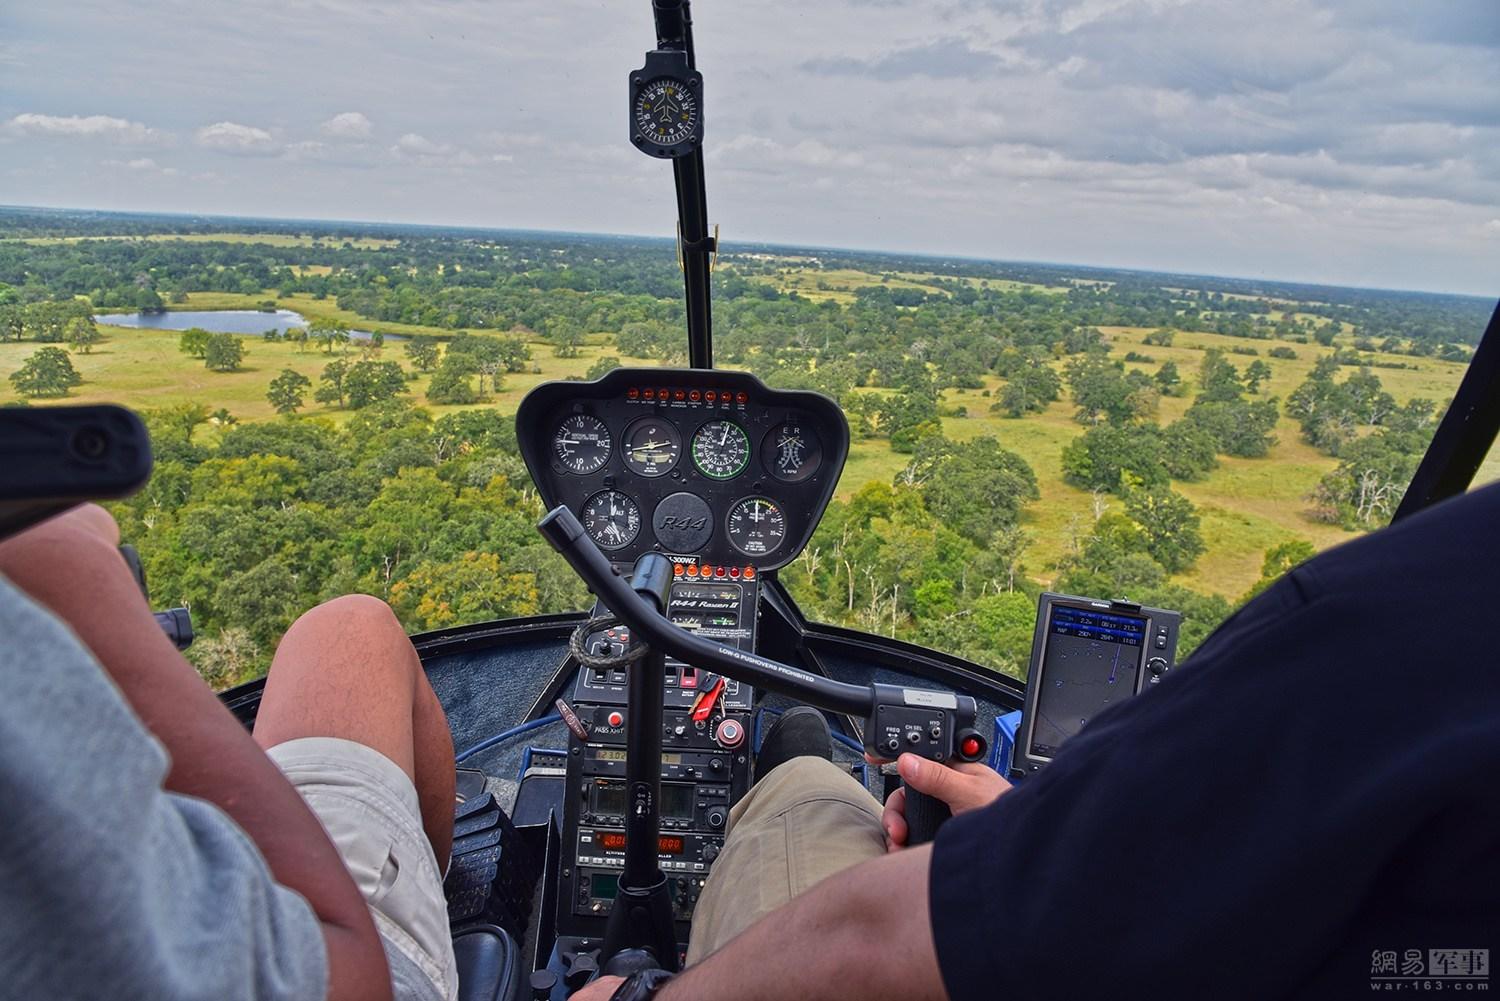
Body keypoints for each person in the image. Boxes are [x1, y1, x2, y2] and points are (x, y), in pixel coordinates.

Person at [579, 482, 1500, 1000]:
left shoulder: (1415, 612)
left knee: (809, 778)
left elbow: (884, 933)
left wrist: (637, 996)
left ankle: (791, 765)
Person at [0, 504, 459, 1001]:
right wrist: (82, 587)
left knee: (348, 625)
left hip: (165, 917)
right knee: (356, 630)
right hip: (321, 959)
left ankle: (424, 893)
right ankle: (426, 912)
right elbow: (343, 979)